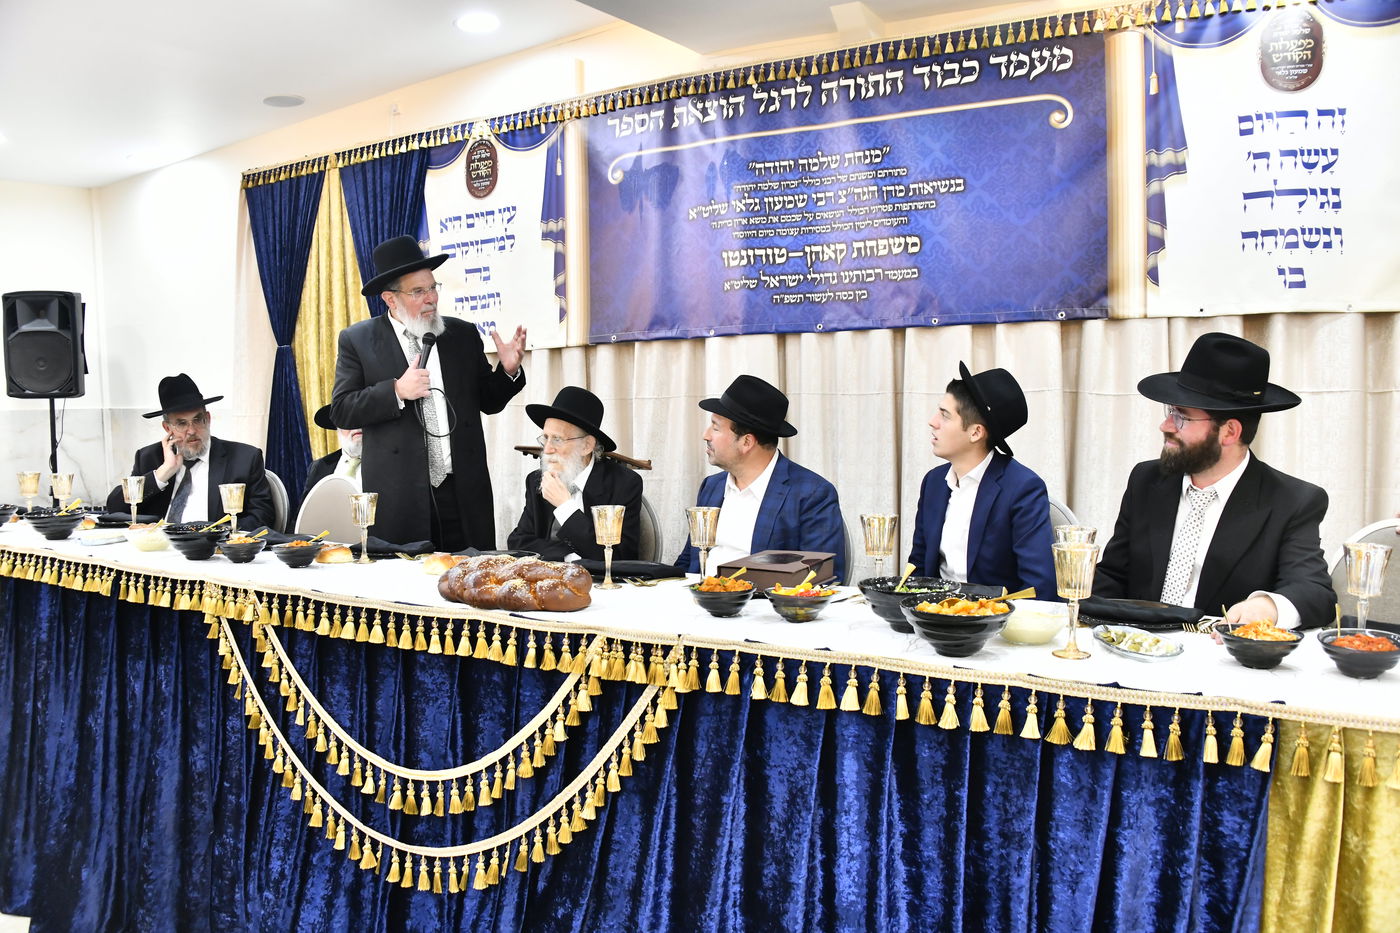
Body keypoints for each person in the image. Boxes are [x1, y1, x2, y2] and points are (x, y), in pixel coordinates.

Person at [1094, 332, 1335, 629]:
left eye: (1181, 417)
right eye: (1170, 412)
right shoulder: (1146, 481)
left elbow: (1314, 592)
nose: (1165, 426)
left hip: (1218, 651)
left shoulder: (1291, 501)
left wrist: (1268, 606)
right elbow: (1113, 576)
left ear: (1229, 432)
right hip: (1138, 644)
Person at [330, 236, 526, 550]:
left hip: (461, 491)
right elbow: (342, 409)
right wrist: (396, 391)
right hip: (400, 496)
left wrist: (507, 371)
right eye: (418, 291)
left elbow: (489, 401)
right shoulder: (359, 340)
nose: (431, 298)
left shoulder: (461, 334)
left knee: (468, 574)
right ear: (390, 299)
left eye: (433, 288)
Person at [674, 375, 846, 580]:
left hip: (761, 599)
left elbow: (822, 576)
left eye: (716, 427)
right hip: (700, 596)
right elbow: (689, 561)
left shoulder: (811, 494)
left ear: (746, 442)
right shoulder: (712, 486)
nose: (706, 435)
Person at [908, 364, 1055, 595]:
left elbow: (1039, 587)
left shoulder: (1022, 488)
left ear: (976, 432)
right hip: (934, 610)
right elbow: (917, 568)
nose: (933, 421)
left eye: (945, 415)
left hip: (996, 614)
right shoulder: (933, 482)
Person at [106, 373, 275, 529]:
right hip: (159, 546)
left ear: (208, 419)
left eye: (198, 420)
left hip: (213, 547)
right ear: (167, 428)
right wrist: (163, 473)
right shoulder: (149, 457)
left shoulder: (244, 459)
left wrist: (217, 533)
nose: (192, 430)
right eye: (181, 423)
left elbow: (263, 516)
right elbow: (115, 508)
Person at [506, 386, 643, 561]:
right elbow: (518, 543)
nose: (547, 449)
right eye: (545, 438)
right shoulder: (537, 480)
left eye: (557, 439)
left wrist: (565, 507)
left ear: (586, 446)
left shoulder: (623, 483)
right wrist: (568, 555)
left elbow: (619, 555)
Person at [304, 404, 362, 491]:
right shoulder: (318, 467)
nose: (356, 425)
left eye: (362, 418)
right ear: (337, 427)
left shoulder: (384, 463)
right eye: (347, 419)